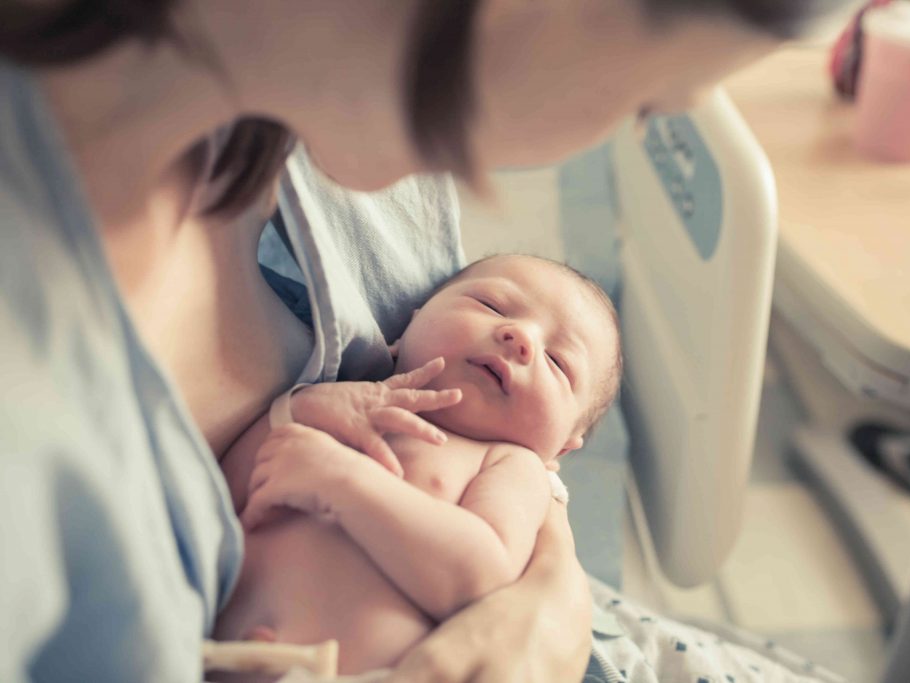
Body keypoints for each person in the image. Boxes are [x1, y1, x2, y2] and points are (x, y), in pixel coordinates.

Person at [0, 1, 856, 681]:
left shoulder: (335, 112)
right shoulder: (35, 423)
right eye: (645, 103)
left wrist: (547, 608)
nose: (516, 336)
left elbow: (515, 485)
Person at [210, 254, 623, 679]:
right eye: (492, 305)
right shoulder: (342, 397)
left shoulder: (510, 465)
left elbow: (477, 577)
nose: (521, 337)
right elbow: (227, 486)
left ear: (561, 451)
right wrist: (297, 410)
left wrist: (342, 480)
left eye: (558, 362)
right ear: (409, 324)